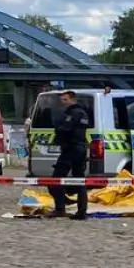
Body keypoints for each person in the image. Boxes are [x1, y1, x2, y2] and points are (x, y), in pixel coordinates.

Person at [48, 90, 91, 219]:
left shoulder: (73, 113)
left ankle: (60, 209)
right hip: (81, 149)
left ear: (72, 99)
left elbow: (65, 130)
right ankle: (82, 211)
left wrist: (58, 131)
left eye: (65, 100)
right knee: (79, 180)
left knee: (55, 180)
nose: (63, 102)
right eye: (62, 100)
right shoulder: (83, 113)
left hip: (71, 149)